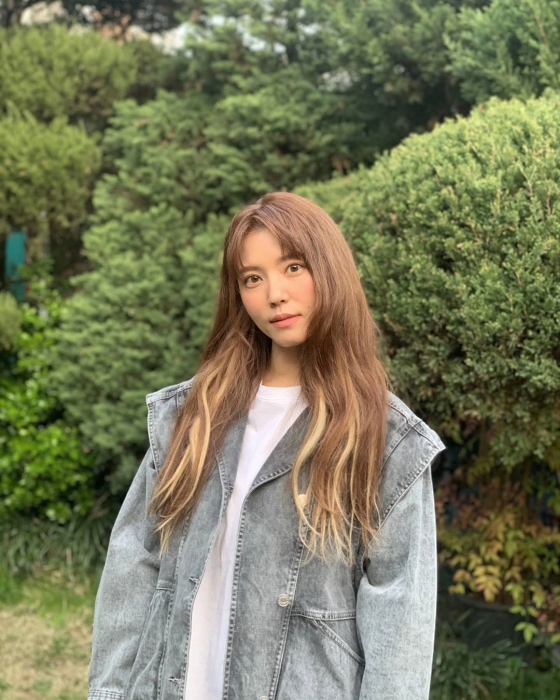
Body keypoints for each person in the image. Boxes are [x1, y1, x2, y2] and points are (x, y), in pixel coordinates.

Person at [87, 191, 445, 700]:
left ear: (330, 269)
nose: (274, 294)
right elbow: (135, 562)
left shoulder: (385, 440)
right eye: (252, 279)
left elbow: (400, 620)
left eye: (293, 267)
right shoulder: (194, 414)